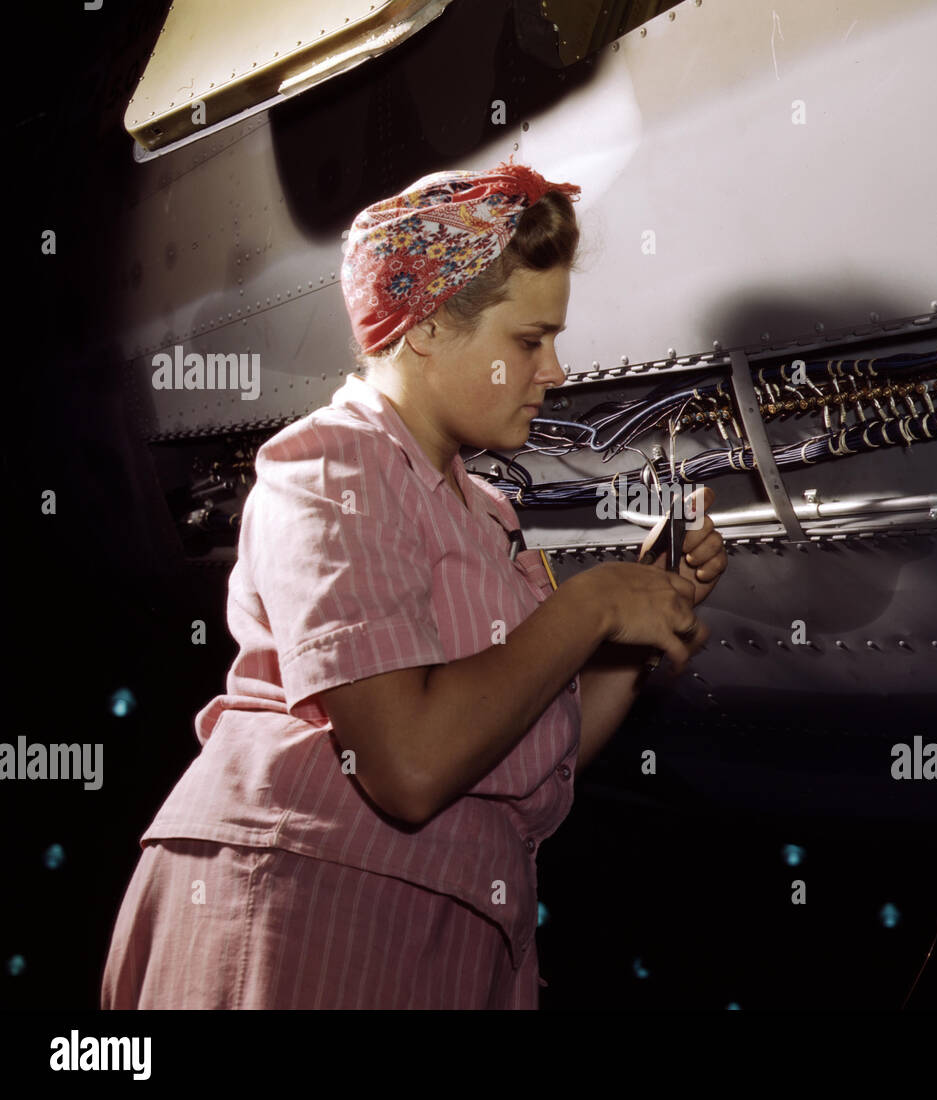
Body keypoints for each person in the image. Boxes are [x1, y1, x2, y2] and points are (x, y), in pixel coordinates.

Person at [100, 158, 726, 1010]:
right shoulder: (333, 465)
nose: (556, 372)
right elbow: (408, 763)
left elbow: (530, 758)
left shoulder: (485, 515)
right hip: (301, 925)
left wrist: (637, 623)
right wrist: (589, 604)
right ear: (427, 327)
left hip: (439, 940)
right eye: (529, 341)